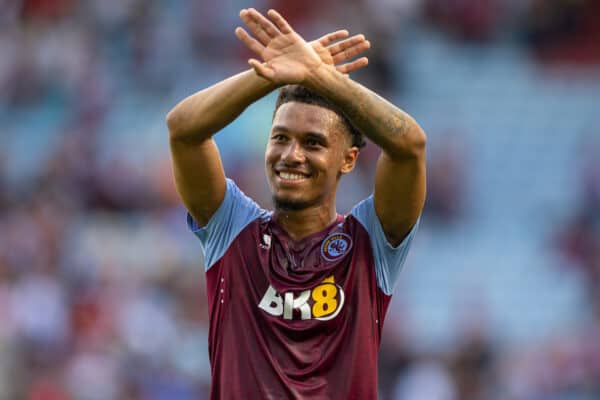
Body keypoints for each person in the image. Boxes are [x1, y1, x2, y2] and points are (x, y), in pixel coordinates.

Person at [166, 8, 426, 399]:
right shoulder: (232, 229)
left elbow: (409, 146)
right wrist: (269, 74)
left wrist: (317, 75)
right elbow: (183, 130)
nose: (291, 155)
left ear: (349, 160)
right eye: (280, 138)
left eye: (313, 143)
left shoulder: (370, 240)